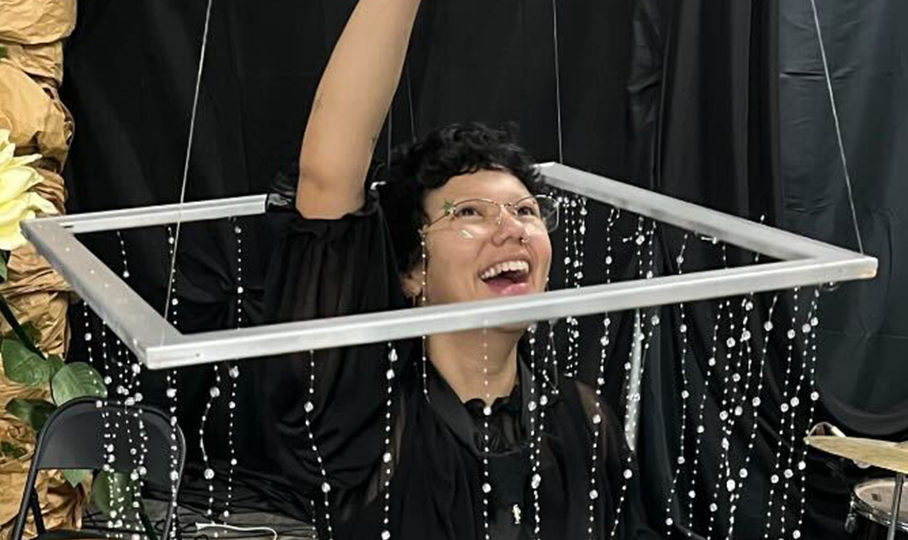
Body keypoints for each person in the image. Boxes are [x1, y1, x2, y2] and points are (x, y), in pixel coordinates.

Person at [258, 0, 659, 538]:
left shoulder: (582, 419)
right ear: (411, 273)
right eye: (468, 212)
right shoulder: (367, 423)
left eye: (525, 211)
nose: (511, 229)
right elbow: (328, 179)